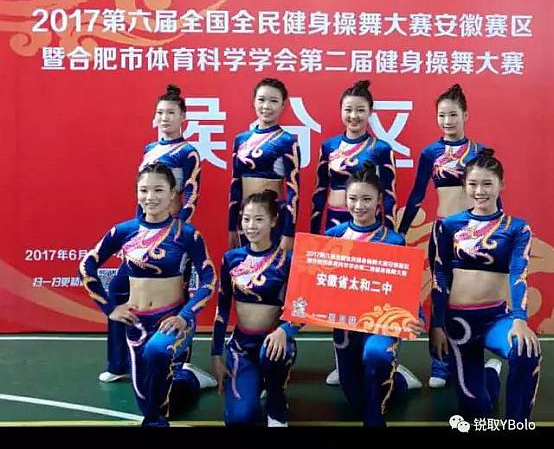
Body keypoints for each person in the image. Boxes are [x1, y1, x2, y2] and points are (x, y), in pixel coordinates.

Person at [79, 163, 217, 427]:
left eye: (158, 190)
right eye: (144, 190)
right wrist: (110, 309)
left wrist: (185, 316)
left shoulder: (187, 234)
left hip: (173, 321)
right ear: (136, 193)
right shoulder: (123, 231)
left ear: (172, 193)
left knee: (156, 355)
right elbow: (87, 266)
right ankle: (190, 379)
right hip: (136, 324)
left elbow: (209, 280)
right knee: (153, 401)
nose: (150, 197)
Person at [99, 85, 211, 386]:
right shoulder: (150, 149)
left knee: (179, 296)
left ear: (183, 118)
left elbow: (192, 193)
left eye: (171, 113)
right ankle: (119, 362)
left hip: (172, 239)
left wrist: (177, 230)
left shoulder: (188, 152)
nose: (164, 118)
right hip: (142, 238)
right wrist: (138, 233)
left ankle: (182, 363)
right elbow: (144, 195)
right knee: (118, 290)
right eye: (160, 112)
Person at [430, 149, 541, 421]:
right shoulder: (449, 226)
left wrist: (520, 319)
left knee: (525, 351)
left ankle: (516, 424)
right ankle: (490, 374)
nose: (480, 191)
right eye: (473, 184)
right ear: (465, 185)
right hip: (460, 323)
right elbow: (440, 274)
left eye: (487, 184)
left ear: (502, 184)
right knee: (475, 412)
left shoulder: (517, 228)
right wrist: (437, 323)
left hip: (497, 318)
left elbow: (518, 272)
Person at [398, 83, 489, 388]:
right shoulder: (431, 153)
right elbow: (416, 196)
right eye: (442, 115)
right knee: (441, 290)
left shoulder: (479, 153)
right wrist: (400, 233)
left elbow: (492, 196)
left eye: (453, 115)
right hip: (442, 231)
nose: (447, 121)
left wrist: (497, 227)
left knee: (472, 293)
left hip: (475, 231)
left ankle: (473, 357)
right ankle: (439, 362)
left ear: (466, 115)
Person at [310, 80, 397, 385]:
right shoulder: (329, 146)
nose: (354, 116)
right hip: (336, 224)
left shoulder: (381, 149)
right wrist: (315, 235)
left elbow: (389, 195)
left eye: (360, 110)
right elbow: (319, 191)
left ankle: (385, 356)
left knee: (369, 291)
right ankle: (342, 361)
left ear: (370, 113)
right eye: (348, 110)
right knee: (340, 294)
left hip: (371, 228)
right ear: (341, 111)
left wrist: (389, 235)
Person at [325, 162, 424, 427]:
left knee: (375, 358)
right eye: (353, 199)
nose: (359, 206)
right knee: (359, 400)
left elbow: (407, 286)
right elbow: (317, 284)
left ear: (379, 200)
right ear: (345, 199)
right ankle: (399, 379)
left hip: (382, 324)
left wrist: (416, 315)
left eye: (367, 199)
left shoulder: (394, 241)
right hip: (346, 326)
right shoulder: (332, 237)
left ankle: (376, 417)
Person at [212, 190, 302, 426]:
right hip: (241, 347)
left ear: (273, 221)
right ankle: (255, 382)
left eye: (259, 219)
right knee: (240, 419)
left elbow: (302, 306)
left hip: (275, 343)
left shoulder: (287, 260)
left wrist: (285, 330)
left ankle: (276, 401)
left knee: (271, 354)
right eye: (246, 219)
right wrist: (216, 354)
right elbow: (222, 308)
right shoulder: (231, 258)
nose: (251, 226)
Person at [228, 77, 300, 252]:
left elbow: (293, 190)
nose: (266, 106)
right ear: (254, 102)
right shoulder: (241, 140)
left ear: (283, 105)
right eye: (261, 100)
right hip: (246, 217)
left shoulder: (287, 141)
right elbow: (235, 184)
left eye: (273, 101)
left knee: (273, 265)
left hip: (273, 216)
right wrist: (231, 226)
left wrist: (289, 232)